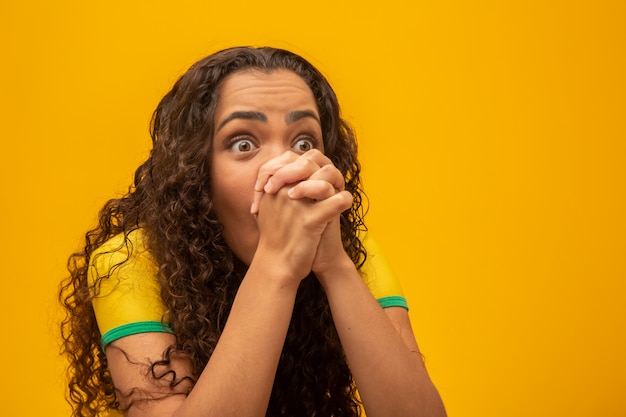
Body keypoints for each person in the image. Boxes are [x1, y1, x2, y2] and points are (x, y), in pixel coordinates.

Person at [59, 46, 446, 417]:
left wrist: (335, 267)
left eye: (303, 141)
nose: (284, 166)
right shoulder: (131, 262)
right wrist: (277, 265)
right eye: (243, 143)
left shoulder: (354, 255)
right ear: (197, 174)